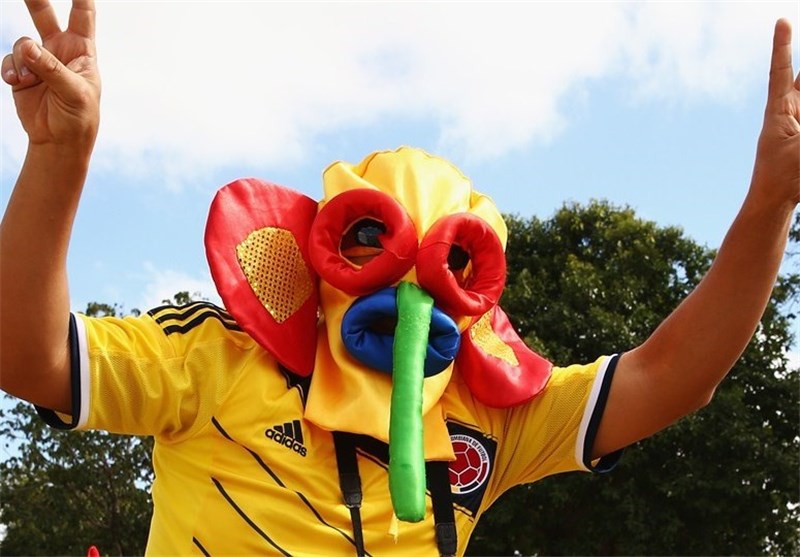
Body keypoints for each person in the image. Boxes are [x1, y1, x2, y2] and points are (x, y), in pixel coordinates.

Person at [1, 1, 797, 555]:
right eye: (369, 239)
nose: (410, 285)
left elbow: (672, 375)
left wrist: (771, 201)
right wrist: (58, 157)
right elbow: (27, 357)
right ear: (315, 251)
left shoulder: (487, 415)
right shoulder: (213, 355)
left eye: (453, 262)